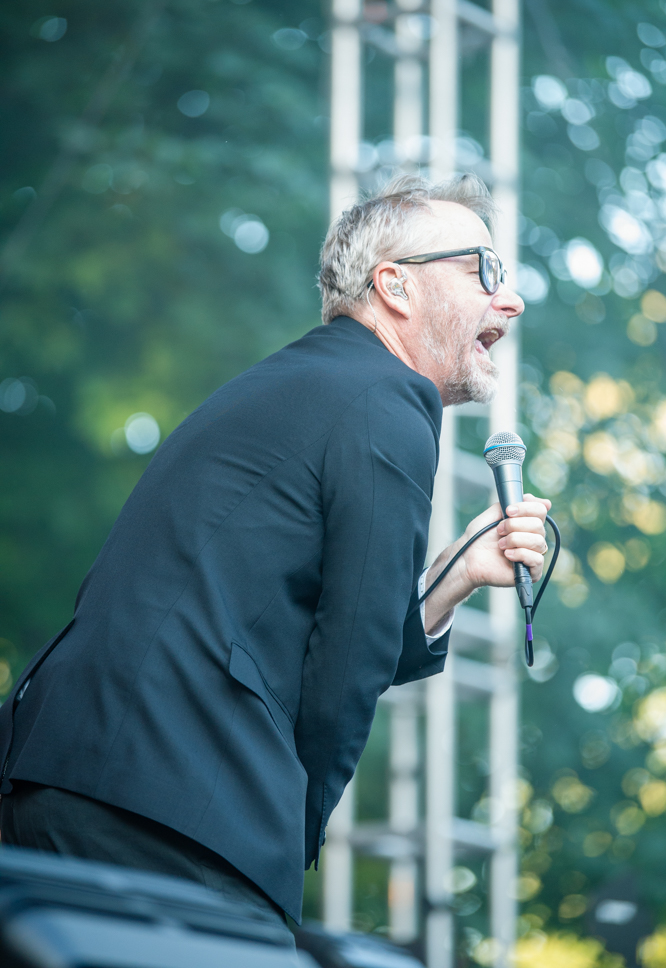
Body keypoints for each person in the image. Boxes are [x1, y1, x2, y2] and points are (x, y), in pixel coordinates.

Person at [0, 174, 549, 935]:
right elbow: (349, 661)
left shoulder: (310, 382)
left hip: (70, 773)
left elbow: (308, 627)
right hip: (169, 803)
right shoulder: (387, 396)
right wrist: (286, 837)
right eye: (483, 269)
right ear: (395, 286)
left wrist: (452, 577)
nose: (510, 299)